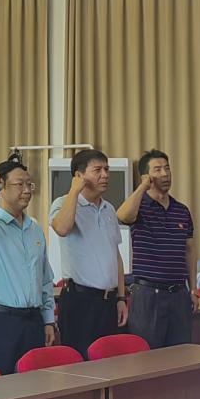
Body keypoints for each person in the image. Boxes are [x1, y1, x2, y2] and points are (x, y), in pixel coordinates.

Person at [0, 158, 55, 374]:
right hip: (0, 321)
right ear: (1, 189)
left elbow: (44, 279)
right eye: (19, 184)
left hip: (33, 321)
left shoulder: (34, 229)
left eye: (29, 184)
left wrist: (48, 320)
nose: (27, 190)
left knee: (34, 384)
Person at [50, 149, 127, 357]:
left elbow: (116, 256)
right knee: (80, 361)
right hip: (79, 300)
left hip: (109, 301)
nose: (105, 175)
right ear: (79, 175)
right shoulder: (62, 203)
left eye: (107, 169)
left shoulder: (109, 208)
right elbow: (62, 228)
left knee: (109, 360)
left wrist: (121, 297)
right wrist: (75, 191)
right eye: (98, 170)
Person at [118, 149, 197, 349]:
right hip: (148, 293)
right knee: (148, 354)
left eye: (167, 169)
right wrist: (143, 187)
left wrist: (193, 289)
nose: (165, 174)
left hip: (178, 293)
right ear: (146, 176)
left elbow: (189, 250)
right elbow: (122, 216)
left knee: (182, 352)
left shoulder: (181, 210)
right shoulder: (139, 206)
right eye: (158, 169)